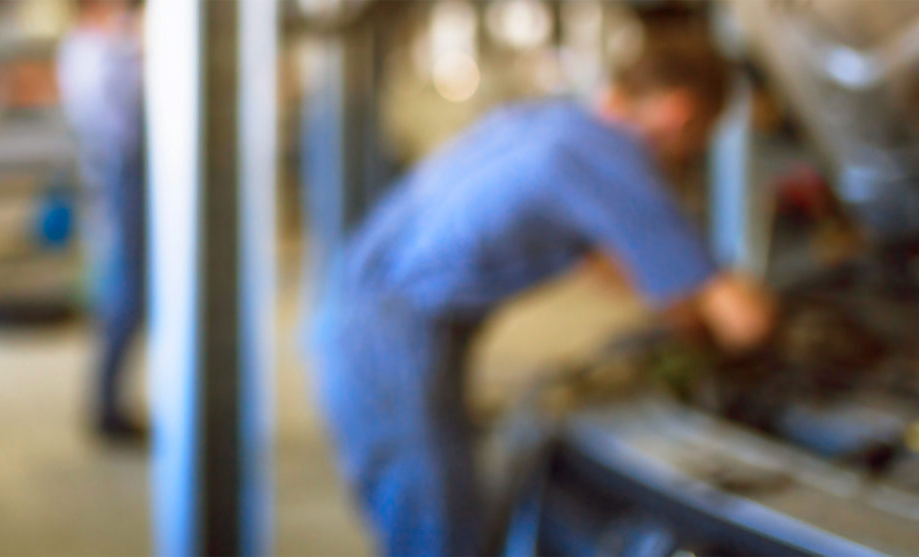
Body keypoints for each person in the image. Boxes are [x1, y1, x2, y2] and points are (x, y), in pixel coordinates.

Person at [309, 17, 776, 556]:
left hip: (364, 308)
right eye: (702, 138)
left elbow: (604, 263)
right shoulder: (615, 161)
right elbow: (746, 323)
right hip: (389, 337)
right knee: (440, 531)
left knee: (438, 517)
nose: (693, 153)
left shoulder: (557, 125)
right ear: (679, 112)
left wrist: (676, 296)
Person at [57, 0, 146, 443]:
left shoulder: (94, 48)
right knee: (129, 292)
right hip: (125, 173)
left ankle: (111, 402)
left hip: (118, 174)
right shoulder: (101, 51)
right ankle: (108, 407)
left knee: (129, 290)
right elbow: (125, 118)